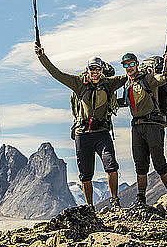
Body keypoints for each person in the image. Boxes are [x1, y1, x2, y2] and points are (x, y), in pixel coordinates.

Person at [35, 44, 127, 210]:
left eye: (97, 69)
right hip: (83, 134)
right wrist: (42, 57)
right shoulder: (78, 83)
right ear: (87, 69)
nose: (95, 72)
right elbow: (56, 73)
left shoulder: (109, 84)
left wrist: (143, 70)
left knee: (111, 166)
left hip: (102, 133)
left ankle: (115, 201)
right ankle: (90, 207)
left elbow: (128, 76)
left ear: (102, 70)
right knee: (86, 175)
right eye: (92, 69)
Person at [120, 51, 167, 206]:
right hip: (137, 126)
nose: (129, 67)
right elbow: (127, 102)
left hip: (153, 125)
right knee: (140, 162)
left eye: (132, 64)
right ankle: (141, 197)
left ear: (137, 64)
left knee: (159, 161)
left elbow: (165, 78)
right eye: (126, 65)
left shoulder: (148, 79)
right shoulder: (128, 83)